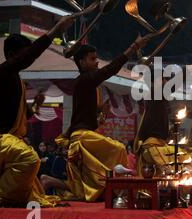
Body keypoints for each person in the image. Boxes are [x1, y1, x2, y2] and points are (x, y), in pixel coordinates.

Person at [0, 15, 75, 207]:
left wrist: (35, 107)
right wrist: (56, 30)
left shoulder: (16, 79)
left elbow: (23, 117)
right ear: (11, 55)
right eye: (22, 55)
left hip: (10, 139)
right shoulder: (4, 71)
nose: (26, 59)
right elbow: (30, 55)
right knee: (29, 159)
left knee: (26, 171)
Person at [42, 34, 152, 202]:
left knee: (83, 188)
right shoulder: (86, 79)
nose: (97, 62)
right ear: (82, 63)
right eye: (93, 59)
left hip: (81, 135)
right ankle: (121, 191)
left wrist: (99, 112)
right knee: (119, 148)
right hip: (83, 137)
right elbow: (111, 69)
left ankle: (48, 181)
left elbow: (80, 116)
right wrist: (133, 47)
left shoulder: (85, 83)